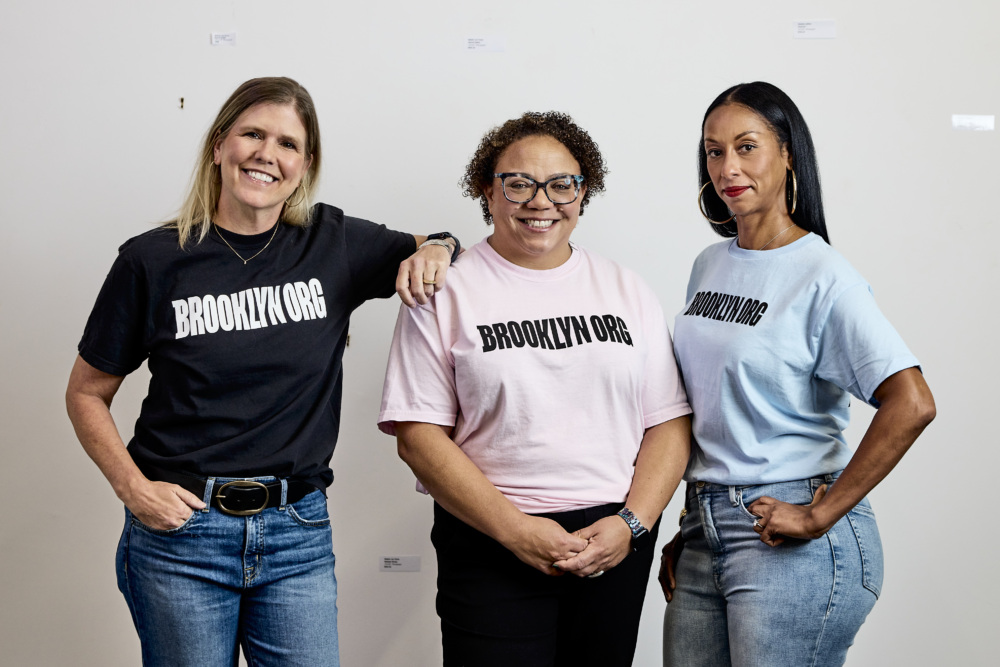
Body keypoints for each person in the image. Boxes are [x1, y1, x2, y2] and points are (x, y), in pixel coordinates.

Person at [64, 76, 460, 667]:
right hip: (181, 539)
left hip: (296, 532)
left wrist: (441, 246)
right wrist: (133, 489)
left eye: (287, 143)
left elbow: (440, 242)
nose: (266, 154)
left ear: (304, 164)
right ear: (220, 144)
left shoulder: (332, 242)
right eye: (253, 133)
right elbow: (85, 393)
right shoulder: (152, 259)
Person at [378, 111, 692, 667]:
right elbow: (417, 435)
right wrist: (516, 531)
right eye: (518, 183)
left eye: (561, 184)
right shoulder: (444, 290)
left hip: (613, 541)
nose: (540, 201)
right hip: (490, 538)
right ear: (488, 191)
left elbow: (667, 422)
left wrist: (632, 524)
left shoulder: (626, 289)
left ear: (582, 191)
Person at [660, 81, 936, 667]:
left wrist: (819, 513)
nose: (728, 167)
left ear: (788, 153)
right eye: (713, 151)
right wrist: (691, 524)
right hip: (706, 525)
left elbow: (911, 402)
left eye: (746, 146)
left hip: (787, 536)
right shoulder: (709, 265)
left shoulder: (823, 276)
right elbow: (707, 404)